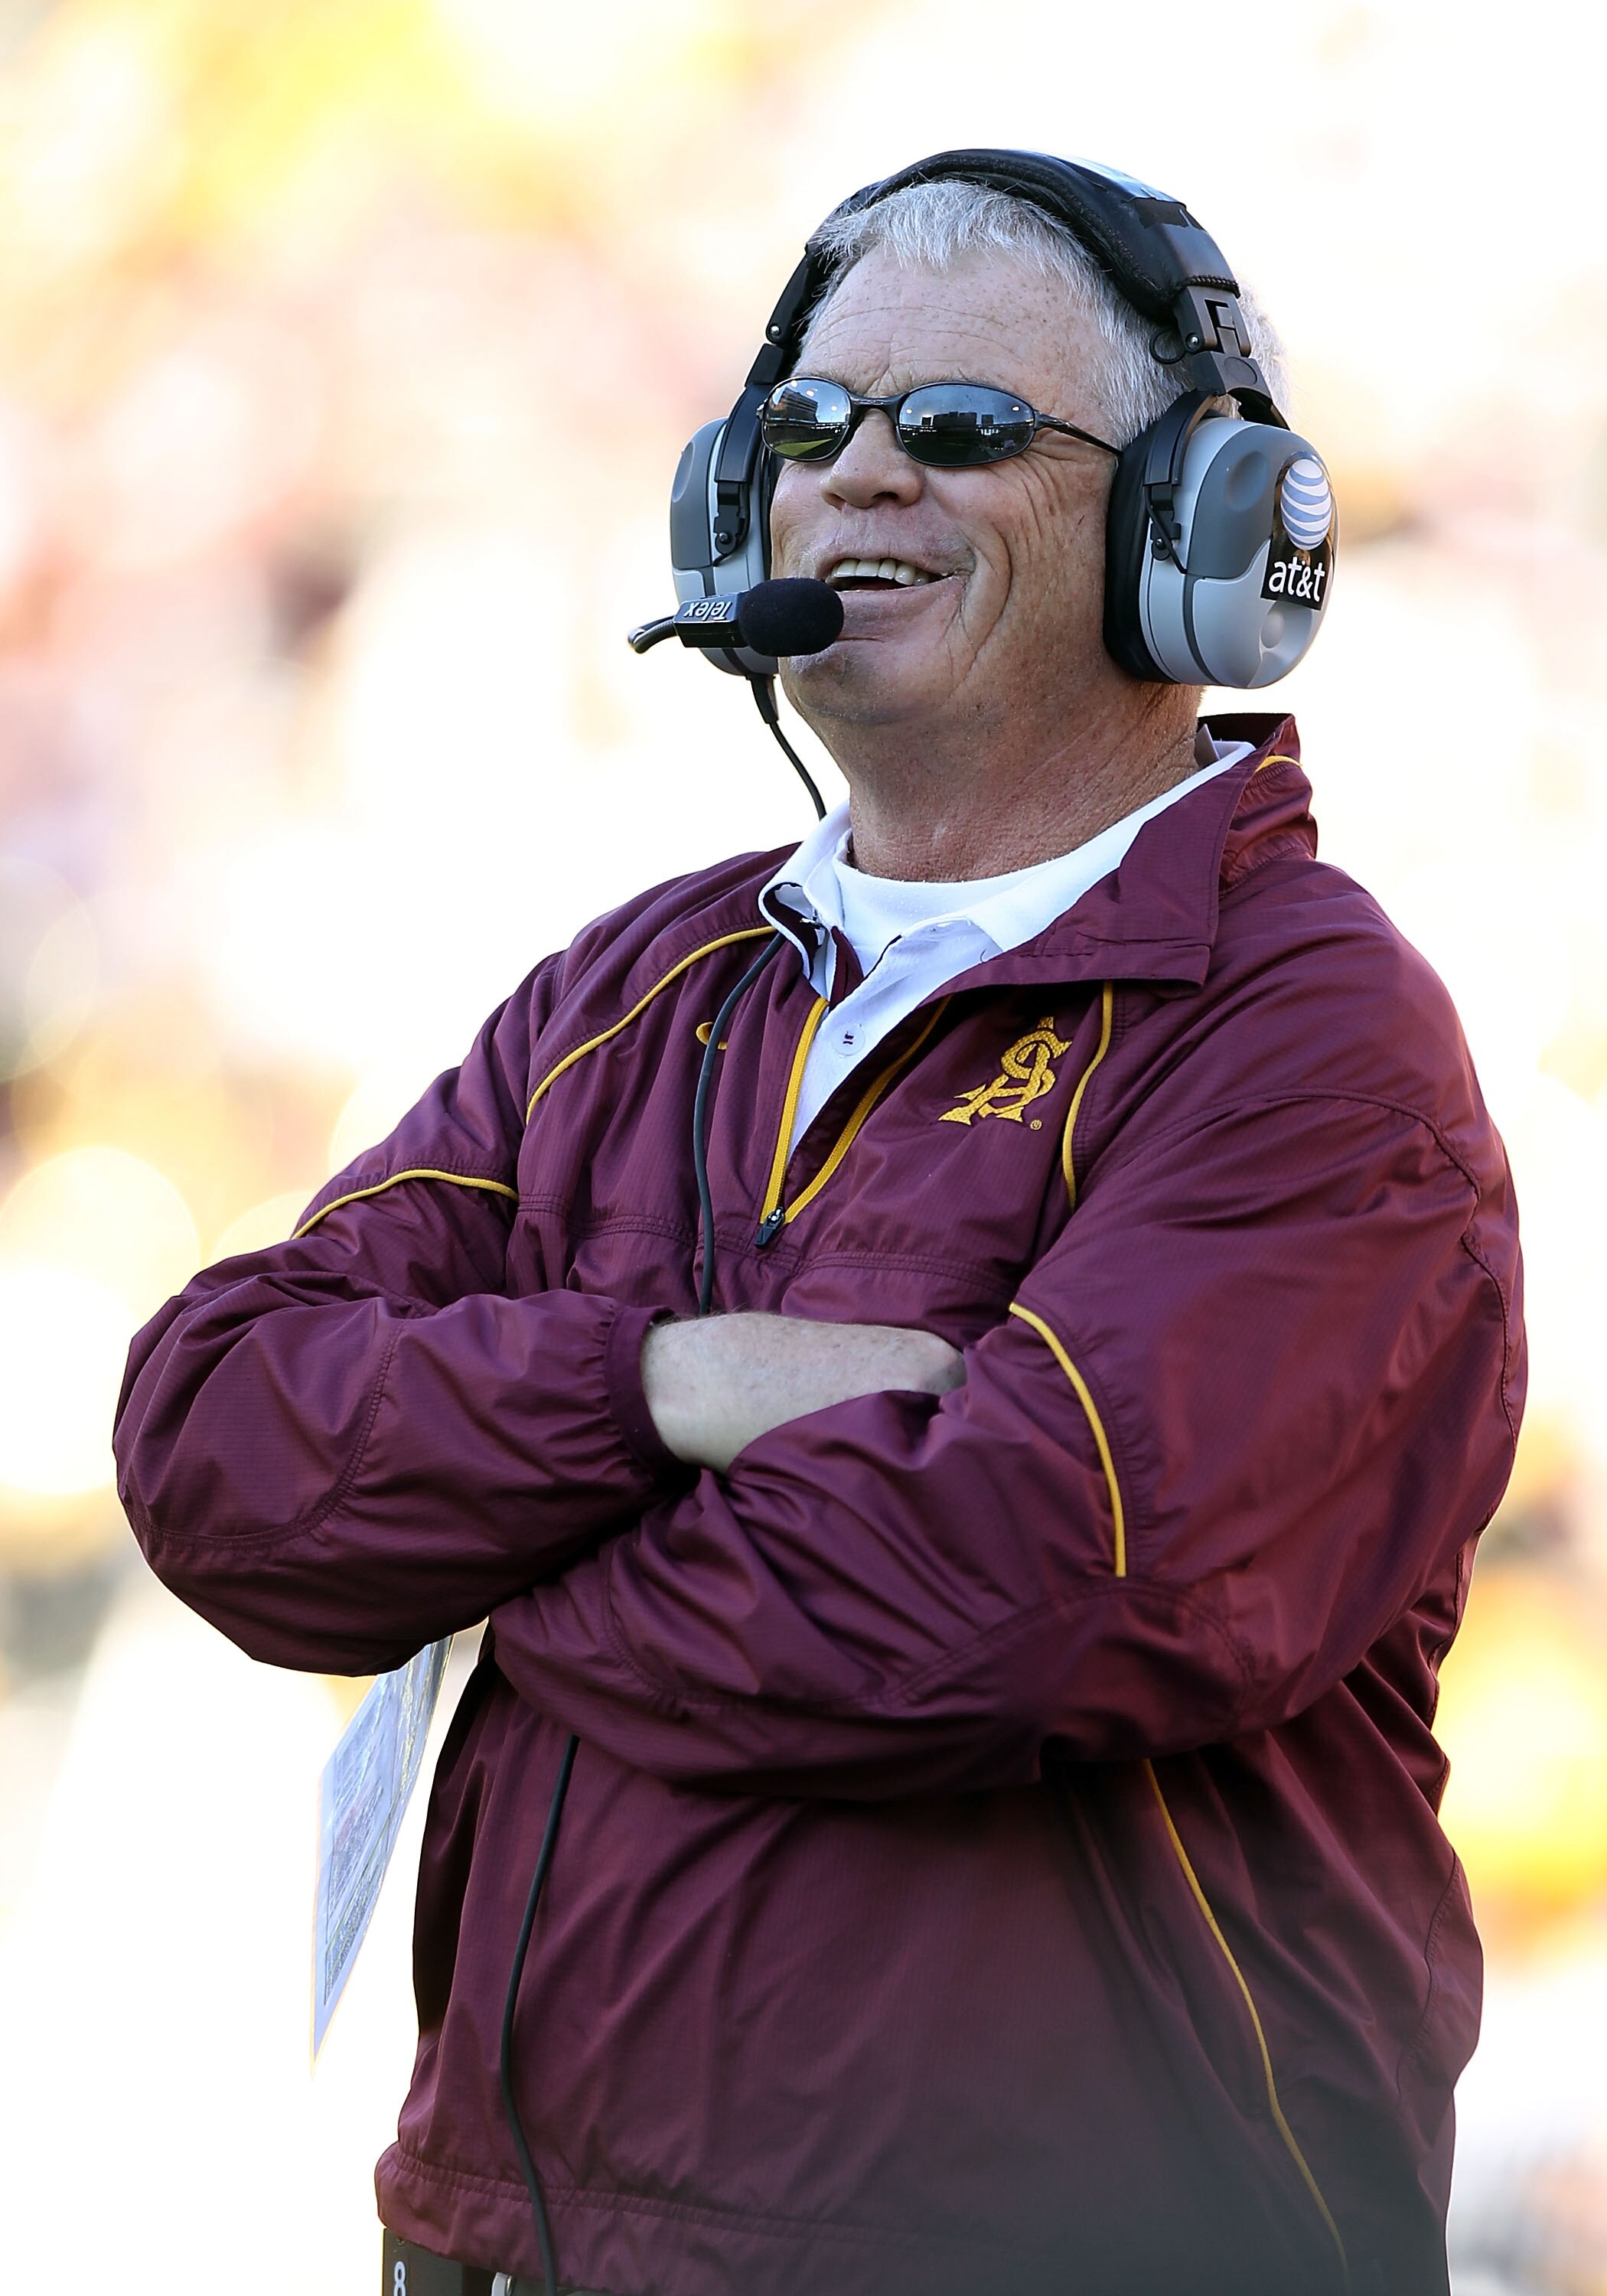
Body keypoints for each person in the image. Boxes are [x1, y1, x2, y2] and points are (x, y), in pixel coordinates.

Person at [115, 155, 1524, 2296]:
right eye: (805, 428)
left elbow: (1000, 1605)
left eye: (958, 430)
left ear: (1197, 536)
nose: (857, 473)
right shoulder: (629, 990)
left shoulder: (1312, 1034)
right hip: (511, 2250)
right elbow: (218, 1441)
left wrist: (489, 1566)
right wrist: (657, 1386)